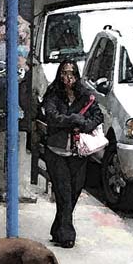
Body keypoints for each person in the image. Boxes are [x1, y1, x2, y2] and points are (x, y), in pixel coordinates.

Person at [41, 59, 103, 249]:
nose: (68, 78)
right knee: (64, 192)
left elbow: (97, 116)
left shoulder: (86, 96)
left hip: (78, 153)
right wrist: (73, 119)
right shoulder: (53, 95)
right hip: (56, 151)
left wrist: (84, 124)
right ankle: (67, 235)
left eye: (72, 74)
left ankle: (57, 228)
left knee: (73, 192)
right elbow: (52, 117)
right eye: (65, 73)